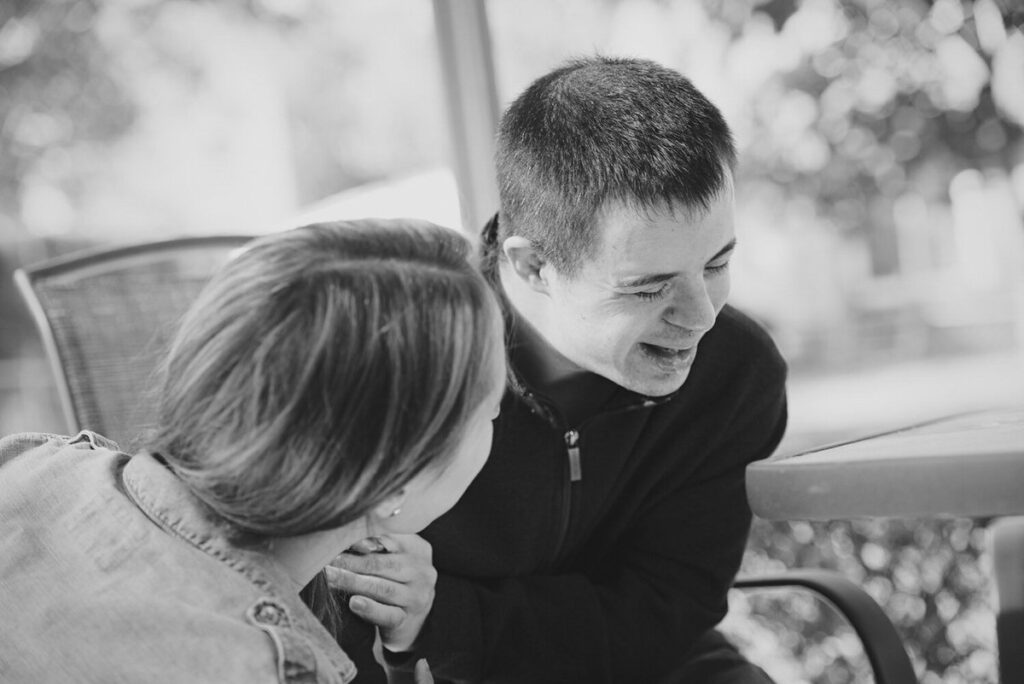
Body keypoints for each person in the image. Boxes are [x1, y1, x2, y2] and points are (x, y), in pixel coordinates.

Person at [330, 57, 788, 683]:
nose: (702, 317)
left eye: (715, 265)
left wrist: (452, 613)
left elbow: (667, 610)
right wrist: (434, 631)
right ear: (533, 266)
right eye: (650, 288)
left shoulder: (736, 375)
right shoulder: (400, 357)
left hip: (640, 664)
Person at [0, 219, 506, 684]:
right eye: (490, 409)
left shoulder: (25, 462)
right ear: (392, 478)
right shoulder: (266, 667)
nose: (499, 421)